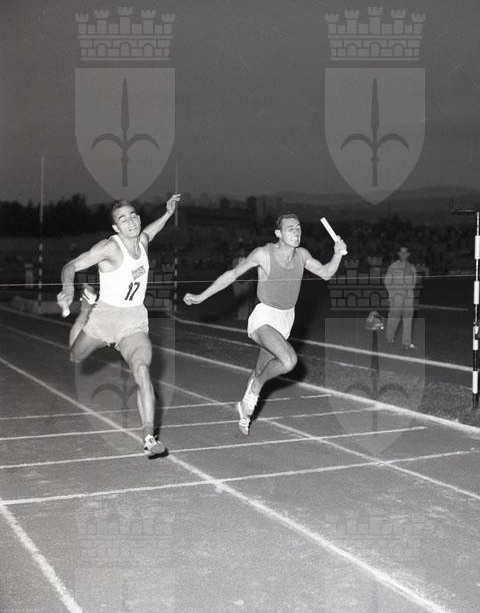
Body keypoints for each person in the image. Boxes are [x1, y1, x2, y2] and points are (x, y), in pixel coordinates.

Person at [184, 213, 346, 435]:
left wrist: (337, 254)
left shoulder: (302, 255)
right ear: (278, 233)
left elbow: (326, 274)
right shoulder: (263, 254)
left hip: (286, 319)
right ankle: (256, 388)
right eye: (290, 228)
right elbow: (232, 274)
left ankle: (244, 409)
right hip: (264, 317)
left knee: (261, 369)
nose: (296, 232)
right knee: (288, 360)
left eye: (298, 228)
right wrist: (201, 296)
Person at [56, 194, 181, 457]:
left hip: (133, 319)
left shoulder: (143, 241)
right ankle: (85, 311)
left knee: (142, 369)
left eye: (133, 216)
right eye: (123, 219)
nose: (131, 222)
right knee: (75, 356)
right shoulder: (109, 248)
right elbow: (71, 266)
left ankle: (149, 438)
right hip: (105, 318)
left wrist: (168, 214)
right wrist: (68, 289)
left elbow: (152, 231)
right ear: (116, 227)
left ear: (139, 218)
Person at [384, 246, 417, 350]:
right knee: (394, 319)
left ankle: (406, 342)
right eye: (401, 252)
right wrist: (391, 295)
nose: (403, 254)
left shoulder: (412, 267)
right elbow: (387, 282)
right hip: (396, 297)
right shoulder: (393, 266)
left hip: (408, 297)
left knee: (408, 320)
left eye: (405, 252)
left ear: (408, 254)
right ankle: (390, 337)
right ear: (398, 254)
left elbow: (413, 284)